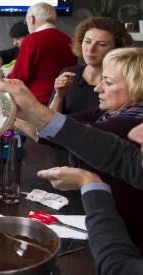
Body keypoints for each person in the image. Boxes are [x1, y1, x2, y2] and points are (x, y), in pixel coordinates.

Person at [0, 66, 143, 275]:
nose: (137, 134)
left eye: (108, 82)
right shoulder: (111, 114)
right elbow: (121, 156)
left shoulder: (131, 121)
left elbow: (117, 267)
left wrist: (91, 186)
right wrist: (35, 111)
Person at [20, 47, 143, 245]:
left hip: (126, 236)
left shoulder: (130, 125)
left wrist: (16, 111)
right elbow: (60, 125)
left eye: (108, 82)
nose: (97, 88)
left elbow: (65, 134)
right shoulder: (109, 112)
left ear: (137, 87)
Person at [49, 17, 135, 114]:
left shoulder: (123, 82)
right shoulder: (69, 73)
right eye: (87, 41)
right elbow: (49, 124)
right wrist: (58, 96)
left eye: (101, 44)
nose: (90, 49)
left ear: (117, 48)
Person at [7, 2, 77, 104]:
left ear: (32, 19)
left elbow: (18, 77)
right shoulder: (69, 40)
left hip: (35, 102)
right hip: (62, 101)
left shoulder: (32, 39)